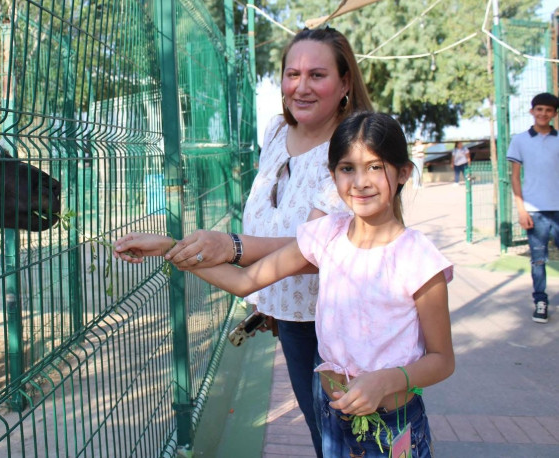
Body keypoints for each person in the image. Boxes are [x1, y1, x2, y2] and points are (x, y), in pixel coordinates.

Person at [113, 112, 455, 457]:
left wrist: (386, 381)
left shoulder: (419, 259)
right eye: (347, 168)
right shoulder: (327, 235)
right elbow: (246, 280)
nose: (360, 181)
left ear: (404, 173)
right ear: (332, 175)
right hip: (333, 410)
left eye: (376, 167)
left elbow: (442, 360)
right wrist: (168, 248)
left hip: (392, 423)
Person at [115, 27, 372, 456]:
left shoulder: (352, 149)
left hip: (340, 320)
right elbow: (269, 239)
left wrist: (229, 247)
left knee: (350, 440)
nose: (301, 86)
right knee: (323, 433)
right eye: (292, 74)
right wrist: (171, 246)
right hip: (292, 316)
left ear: (345, 83)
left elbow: (314, 250)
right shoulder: (275, 132)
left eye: (317, 75)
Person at [506, 92, 559, 323]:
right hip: (534, 211)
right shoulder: (520, 140)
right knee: (538, 259)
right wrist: (521, 210)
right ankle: (541, 301)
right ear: (532, 111)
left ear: (555, 114)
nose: (543, 114)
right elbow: (515, 178)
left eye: (548, 110)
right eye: (539, 109)